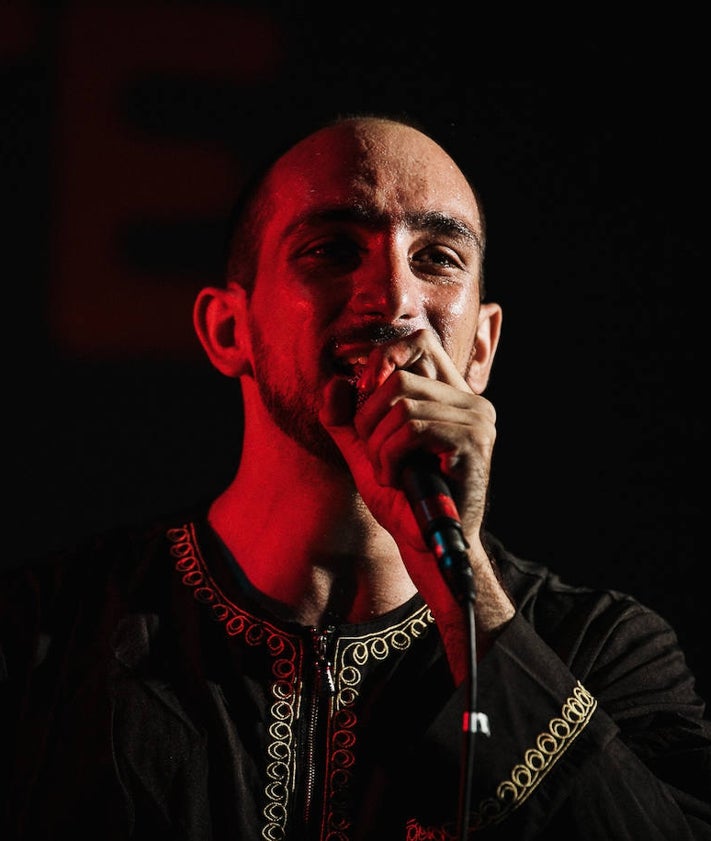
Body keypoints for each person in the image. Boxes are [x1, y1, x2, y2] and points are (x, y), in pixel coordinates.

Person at [1, 113, 710, 841]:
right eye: (334, 249)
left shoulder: (602, 651)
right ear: (227, 330)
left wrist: (464, 586)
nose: (395, 301)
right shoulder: (41, 645)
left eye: (436, 257)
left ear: (481, 349)